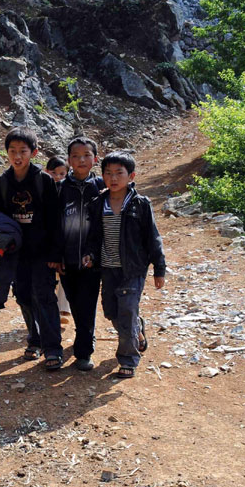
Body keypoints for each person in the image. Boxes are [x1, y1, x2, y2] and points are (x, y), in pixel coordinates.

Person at [83, 151, 165, 378]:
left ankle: (128, 359)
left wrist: (159, 269)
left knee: (127, 310)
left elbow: (153, 237)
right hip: (108, 268)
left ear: (131, 176)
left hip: (133, 269)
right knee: (111, 312)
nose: (113, 178)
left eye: (119, 173)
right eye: (108, 173)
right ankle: (137, 329)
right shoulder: (98, 204)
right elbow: (93, 236)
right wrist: (90, 254)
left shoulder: (140, 204)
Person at [0, 127, 63, 370]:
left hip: (41, 252)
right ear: (6, 153)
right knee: (23, 297)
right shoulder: (1, 184)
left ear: (34, 152)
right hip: (15, 254)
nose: (17, 156)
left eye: (23, 151)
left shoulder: (44, 181)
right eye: (12, 151)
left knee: (44, 296)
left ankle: (53, 348)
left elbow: (55, 220)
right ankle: (35, 339)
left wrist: (55, 253)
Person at [56, 137, 105, 371]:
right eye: (76, 156)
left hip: (92, 261)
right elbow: (53, 226)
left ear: (95, 158)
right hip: (67, 260)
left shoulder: (102, 188)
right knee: (75, 303)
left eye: (86, 155)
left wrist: (94, 253)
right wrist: (57, 256)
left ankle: (84, 350)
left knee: (87, 303)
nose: (81, 160)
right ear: (69, 160)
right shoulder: (60, 189)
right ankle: (85, 335)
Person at [45, 156, 72, 325]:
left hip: (65, 241)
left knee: (64, 274)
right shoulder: (41, 189)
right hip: (46, 242)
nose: (58, 177)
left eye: (62, 173)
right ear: (47, 172)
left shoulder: (70, 190)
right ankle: (51, 309)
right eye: (54, 173)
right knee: (48, 276)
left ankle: (62, 309)